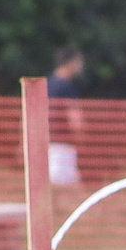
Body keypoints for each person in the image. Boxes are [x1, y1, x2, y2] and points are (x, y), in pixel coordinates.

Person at [47, 46, 87, 185]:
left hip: (43, 144)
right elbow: (75, 117)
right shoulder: (67, 88)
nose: (81, 66)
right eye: (79, 62)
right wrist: (82, 139)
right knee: (66, 188)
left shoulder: (46, 84)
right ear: (70, 62)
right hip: (63, 146)